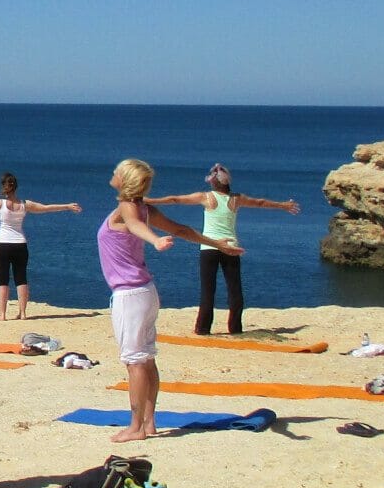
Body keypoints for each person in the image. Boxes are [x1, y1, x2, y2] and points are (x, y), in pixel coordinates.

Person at [98, 160, 242, 443]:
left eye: (116, 171)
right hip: (146, 292)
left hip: (130, 295)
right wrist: (219, 244)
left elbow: (137, 226)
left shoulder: (130, 208)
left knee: (135, 362)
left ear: (125, 180)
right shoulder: (143, 207)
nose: (112, 174)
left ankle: (136, 427)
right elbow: (181, 229)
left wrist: (154, 241)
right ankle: (149, 422)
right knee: (147, 359)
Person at [145, 163, 300, 335]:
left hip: (209, 247)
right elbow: (260, 203)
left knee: (208, 290)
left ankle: (203, 329)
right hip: (231, 248)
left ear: (215, 182)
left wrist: (148, 201)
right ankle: (235, 329)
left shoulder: (206, 197)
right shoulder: (236, 199)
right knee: (235, 290)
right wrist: (283, 205)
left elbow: (175, 200)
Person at [0, 172, 81, 320]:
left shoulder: (0, 204)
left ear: (4, 187)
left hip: (2, 245)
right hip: (20, 245)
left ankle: (3, 314)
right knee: (21, 278)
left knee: (2, 279)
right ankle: (23, 313)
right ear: (16, 187)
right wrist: (67, 206)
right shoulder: (25, 204)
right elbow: (46, 208)